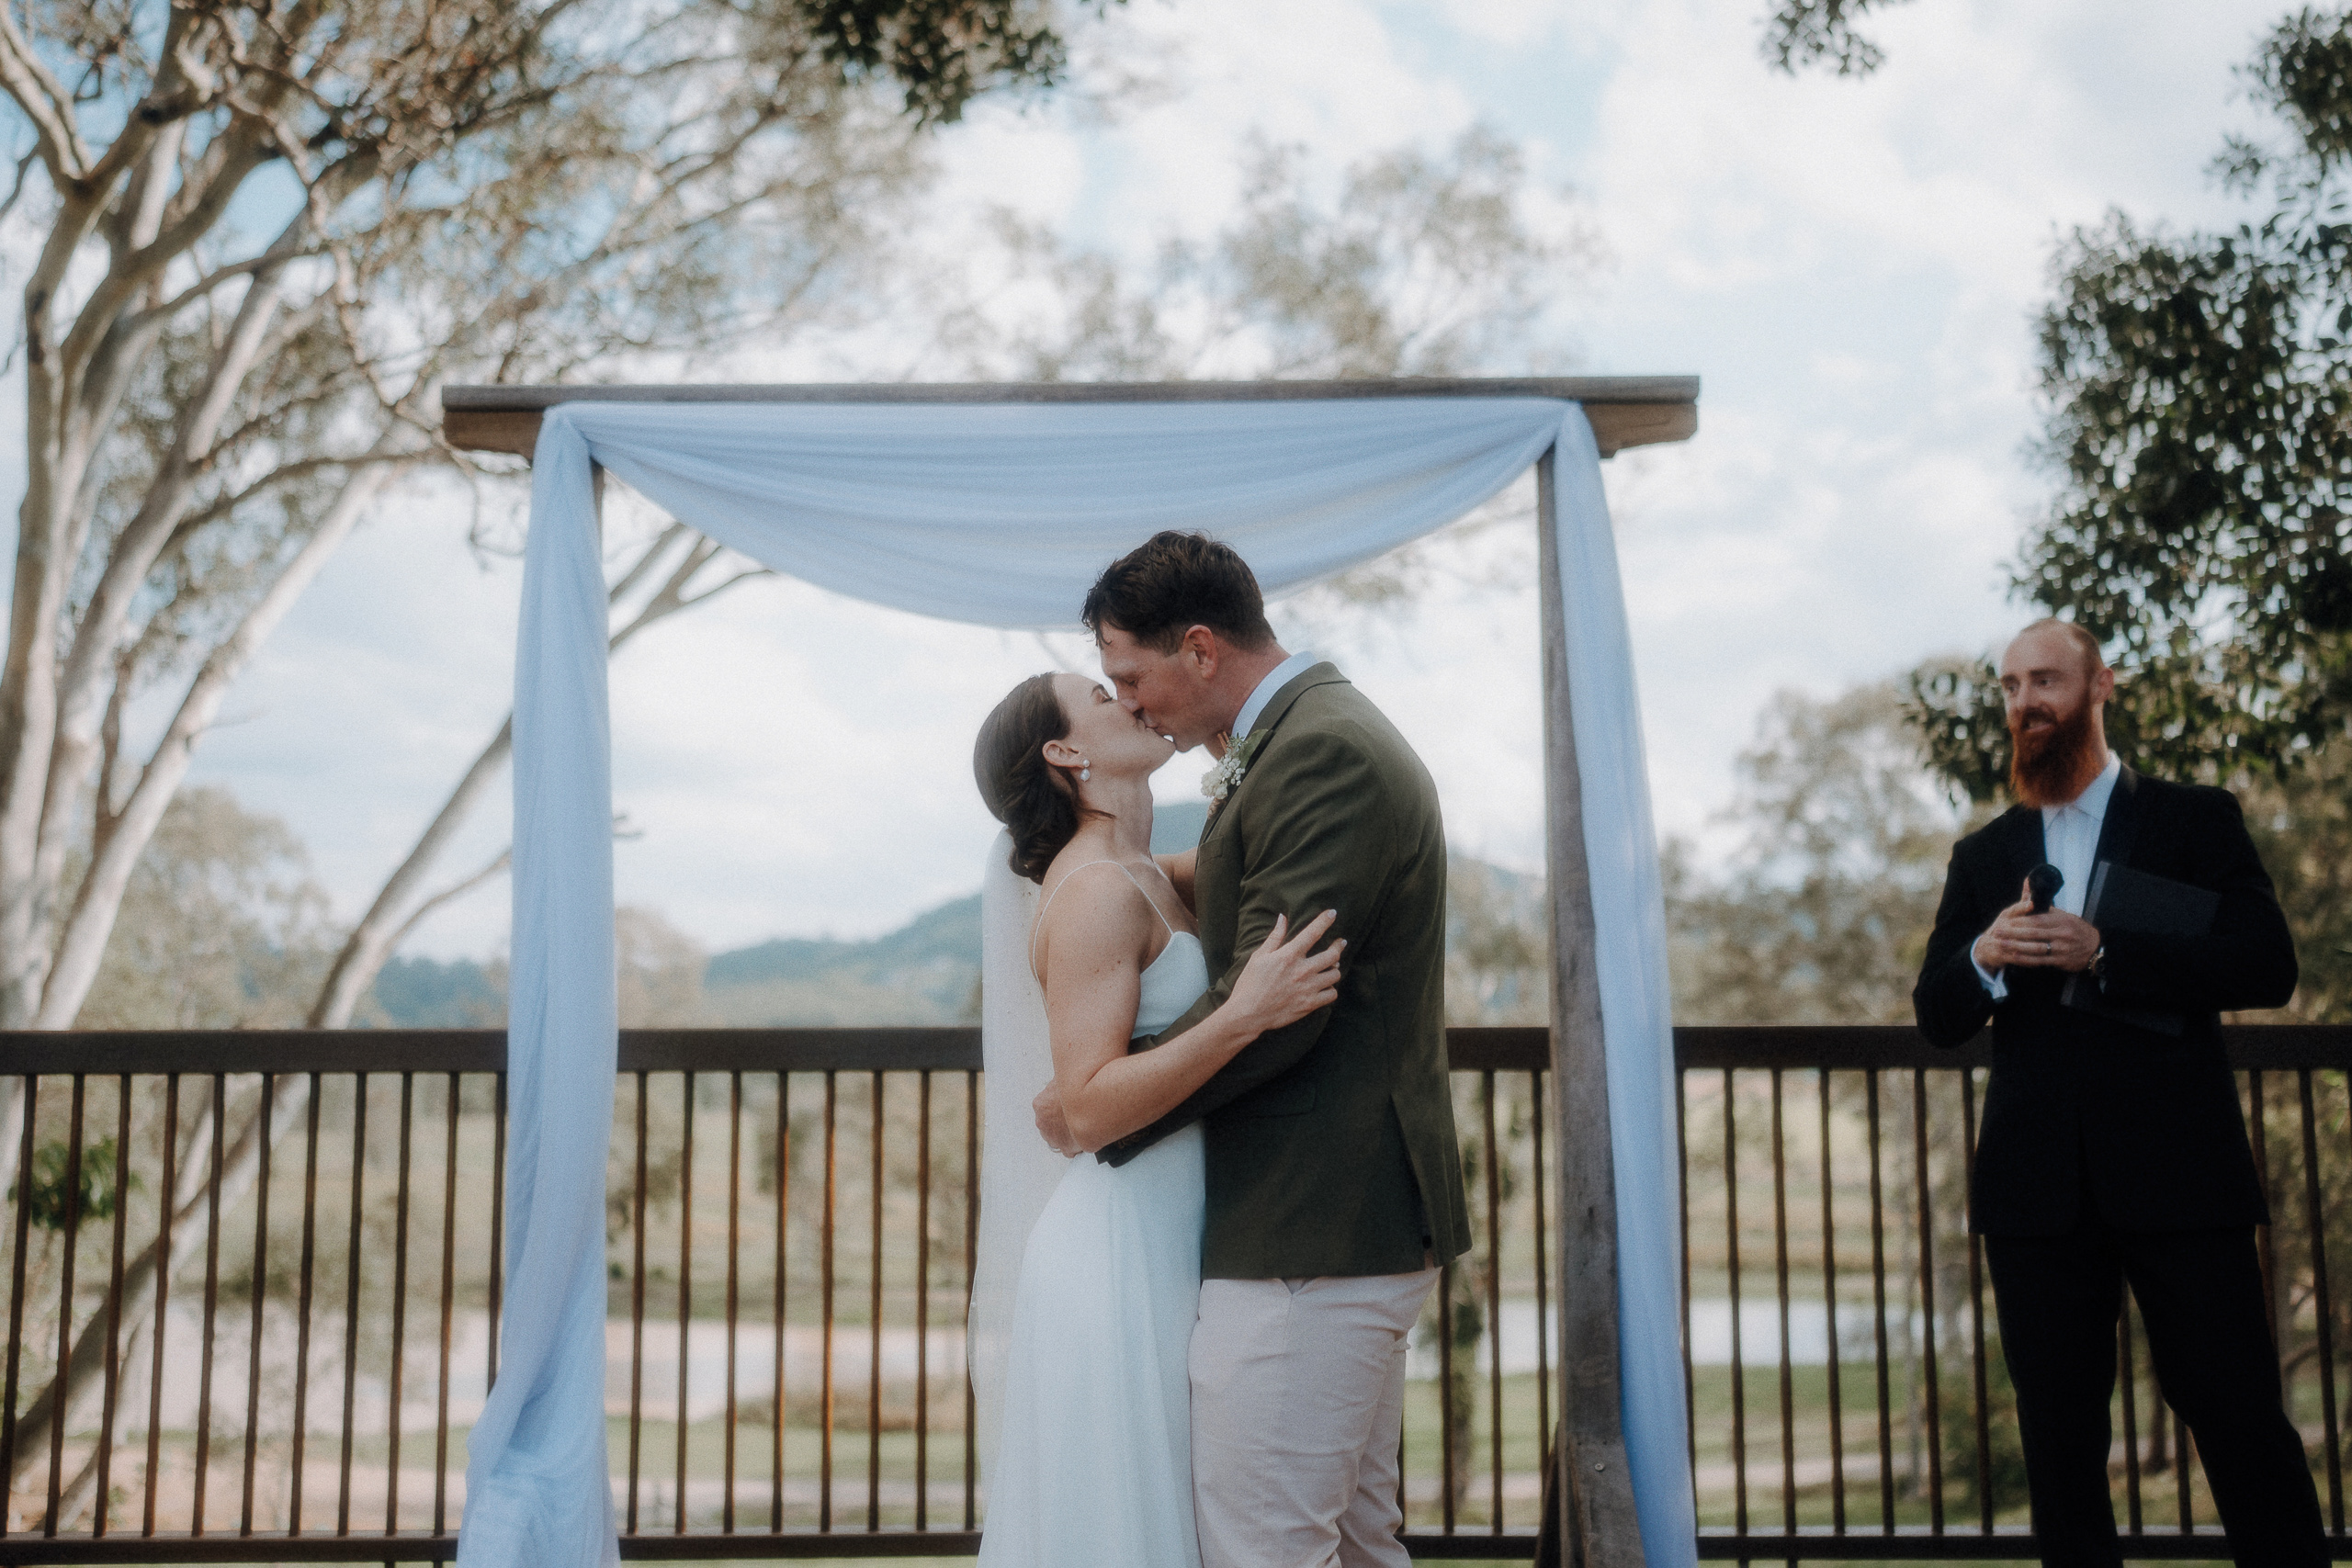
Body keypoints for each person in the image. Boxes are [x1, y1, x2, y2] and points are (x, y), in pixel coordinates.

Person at [1036, 530, 1471, 1568]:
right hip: (1324, 1225)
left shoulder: (1319, 750)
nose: (1132, 703)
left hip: (1306, 1225)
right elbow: (1241, 883)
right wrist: (1124, 875)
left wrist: (1101, 1104)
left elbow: (1278, 1007)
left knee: (1263, 1550)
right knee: (1356, 1546)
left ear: (1198, 649)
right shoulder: (1294, 741)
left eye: (1131, 677)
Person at [1912, 617, 2324, 1568]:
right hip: (2035, 1199)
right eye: (2010, 687)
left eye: (2045, 681)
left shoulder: (2193, 820)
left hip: (2182, 1183)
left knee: (2240, 1424)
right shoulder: (1985, 856)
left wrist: (2108, 953)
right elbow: (1936, 1013)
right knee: (2059, 1452)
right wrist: (1982, 955)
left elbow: (2267, 965)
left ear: (2101, 686)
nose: (2026, 705)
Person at [969, 669, 1343, 1568]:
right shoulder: (1095, 891)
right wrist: (1242, 1014)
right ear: (1065, 752)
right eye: (1102, 696)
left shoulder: (1139, 870)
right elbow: (1090, 1106)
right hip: (1118, 1256)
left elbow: (1233, 862)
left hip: (1172, 1237)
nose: (1129, 699)